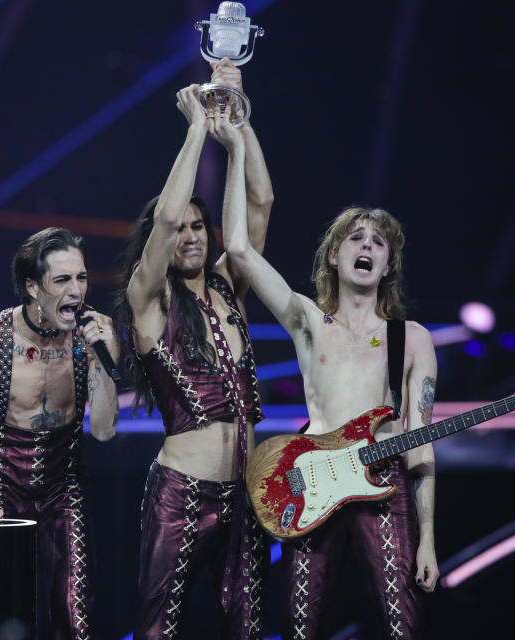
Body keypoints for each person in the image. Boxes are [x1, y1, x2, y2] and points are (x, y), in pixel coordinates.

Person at [221, 131, 439, 637]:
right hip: (310, 484)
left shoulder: (413, 339)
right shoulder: (308, 320)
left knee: (402, 624)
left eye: (378, 243)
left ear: (387, 267)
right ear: (335, 258)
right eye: (356, 239)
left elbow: (422, 446)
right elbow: (238, 248)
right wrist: (236, 147)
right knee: (300, 626)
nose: (367, 246)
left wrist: (427, 538)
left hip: (383, 486)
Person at [112, 58, 274, 639]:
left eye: (200, 228)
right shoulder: (148, 300)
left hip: (250, 491)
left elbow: (259, 204)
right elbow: (165, 217)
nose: (190, 234)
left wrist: (239, 120)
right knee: (158, 629)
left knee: (249, 629)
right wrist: (195, 131)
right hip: (181, 493)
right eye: (185, 229)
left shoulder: (232, 288)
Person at [0, 227, 119, 640]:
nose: (77, 291)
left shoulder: (95, 336)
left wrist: (103, 359)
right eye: (62, 280)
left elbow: (104, 431)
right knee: (2, 616)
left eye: (82, 278)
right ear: (33, 287)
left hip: (63, 487)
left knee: (75, 615)